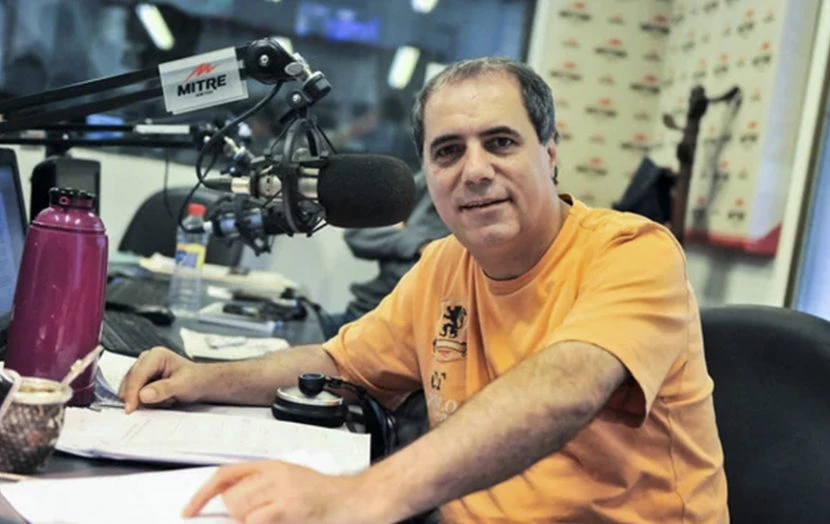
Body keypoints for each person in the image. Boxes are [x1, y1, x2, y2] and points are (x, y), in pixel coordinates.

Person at [119, 56, 728, 523]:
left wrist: (358, 497)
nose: (475, 170)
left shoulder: (633, 252)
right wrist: (201, 378)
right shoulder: (444, 265)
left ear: (549, 154)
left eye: (501, 142)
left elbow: (567, 388)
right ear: (428, 177)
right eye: (448, 152)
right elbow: (339, 363)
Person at [323, 170, 450, 338]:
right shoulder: (427, 181)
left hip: (410, 328)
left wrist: (401, 235)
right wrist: (417, 244)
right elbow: (357, 233)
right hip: (364, 313)